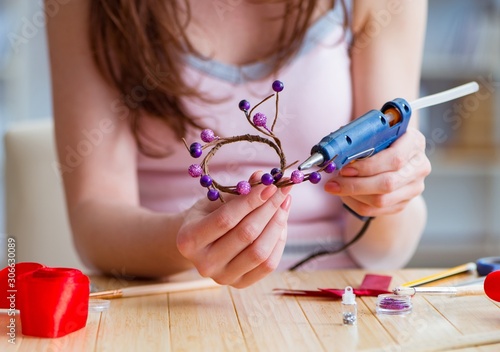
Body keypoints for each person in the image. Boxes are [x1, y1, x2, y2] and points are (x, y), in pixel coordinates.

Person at [46, 0, 430, 288]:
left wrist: (388, 194)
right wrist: (187, 241)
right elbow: (94, 221)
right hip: (165, 299)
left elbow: (384, 250)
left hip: (331, 298)